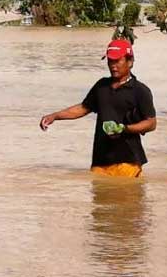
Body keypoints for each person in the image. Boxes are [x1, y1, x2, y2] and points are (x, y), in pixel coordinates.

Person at [39, 39, 157, 177]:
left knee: (127, 196)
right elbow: (83, 108)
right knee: (99, 197)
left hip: (128, 161)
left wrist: (124, 128)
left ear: (130, 62)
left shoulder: (140, 91)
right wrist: (54, 116)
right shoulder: (101, 86)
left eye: (117, 61)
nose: (113, 65)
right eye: (110, 61)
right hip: (100, 161)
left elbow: (151, 123)